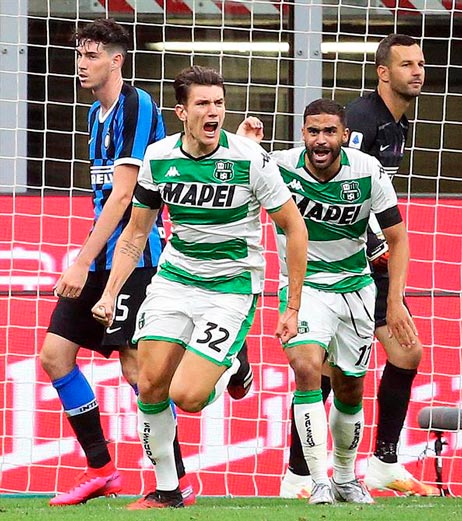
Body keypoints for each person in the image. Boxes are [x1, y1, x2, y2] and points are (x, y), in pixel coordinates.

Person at [91, 65, 307, 509]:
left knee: (186, 397)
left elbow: (293, 226)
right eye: (203, 104)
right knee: (148, 384)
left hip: (230, 286)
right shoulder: (159, 157)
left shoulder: (249, 158)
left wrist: (293, 306)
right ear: (182, 112)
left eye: (219, 103)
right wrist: (111, 292)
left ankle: (233, 364)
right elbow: (135, 233)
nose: (214, 113)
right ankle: (168, 491)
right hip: (174, 280)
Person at [39, 18, 196, 507]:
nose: (82, 64)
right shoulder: (94, 114)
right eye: (79, 55)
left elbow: (126, 193)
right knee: (54, 356)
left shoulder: (137, 105)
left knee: (138, 372)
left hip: (134, 259)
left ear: (116, 60)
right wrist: (88, 257)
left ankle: (179, 480)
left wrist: (81, 262)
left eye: (91, 55)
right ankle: (102, 469)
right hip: (98, 255)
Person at [280, 33, 437, 498]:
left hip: (366, 267)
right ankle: (302, 473)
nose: (418, 71)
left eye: (421, 63)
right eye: (407, 63)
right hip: (346, 264)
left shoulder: (396, 121)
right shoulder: (364, 122)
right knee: (319, 367)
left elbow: (380, 208)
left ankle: (381, 462)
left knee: (398, 356)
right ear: (383, 73)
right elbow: (338, 184)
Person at [238, 98, 418, 504]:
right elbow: (232, 165)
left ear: (343, 136)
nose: (321, 141)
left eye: (329, 132)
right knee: (306, 367)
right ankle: (316, 480)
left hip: (355, 288)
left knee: (350, 388)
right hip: (304, 288)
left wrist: (394, 301)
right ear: (303, 134)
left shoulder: (367, 171)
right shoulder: (279, 166)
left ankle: (344, 476)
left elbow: (398, 239)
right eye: (313, 131)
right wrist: (243, 140)